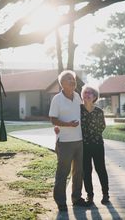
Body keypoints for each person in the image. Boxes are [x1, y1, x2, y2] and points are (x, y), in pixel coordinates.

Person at [49, 70, 88, 212]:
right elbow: (53, 119)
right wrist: (67, 124)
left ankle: (77, 199)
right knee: (62, 172)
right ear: (62, 83)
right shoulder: (57, 99)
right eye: (68, 79)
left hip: (79, 141)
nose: (72, 81)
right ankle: (60, 201)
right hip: (64, 142)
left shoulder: (78, 96)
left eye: (73, 78)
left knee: (79, 172)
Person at [81, 84, 109, 205]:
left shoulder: (99, 111)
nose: (86, 95)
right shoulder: (78, 109)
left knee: (100, 169)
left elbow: (102, 126)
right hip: (83, 146)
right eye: (85, 92)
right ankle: (90, 195)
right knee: (86, 170)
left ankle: (105, 194)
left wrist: (90, 135)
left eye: (89, 93)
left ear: (94, 97)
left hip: (97, 144)